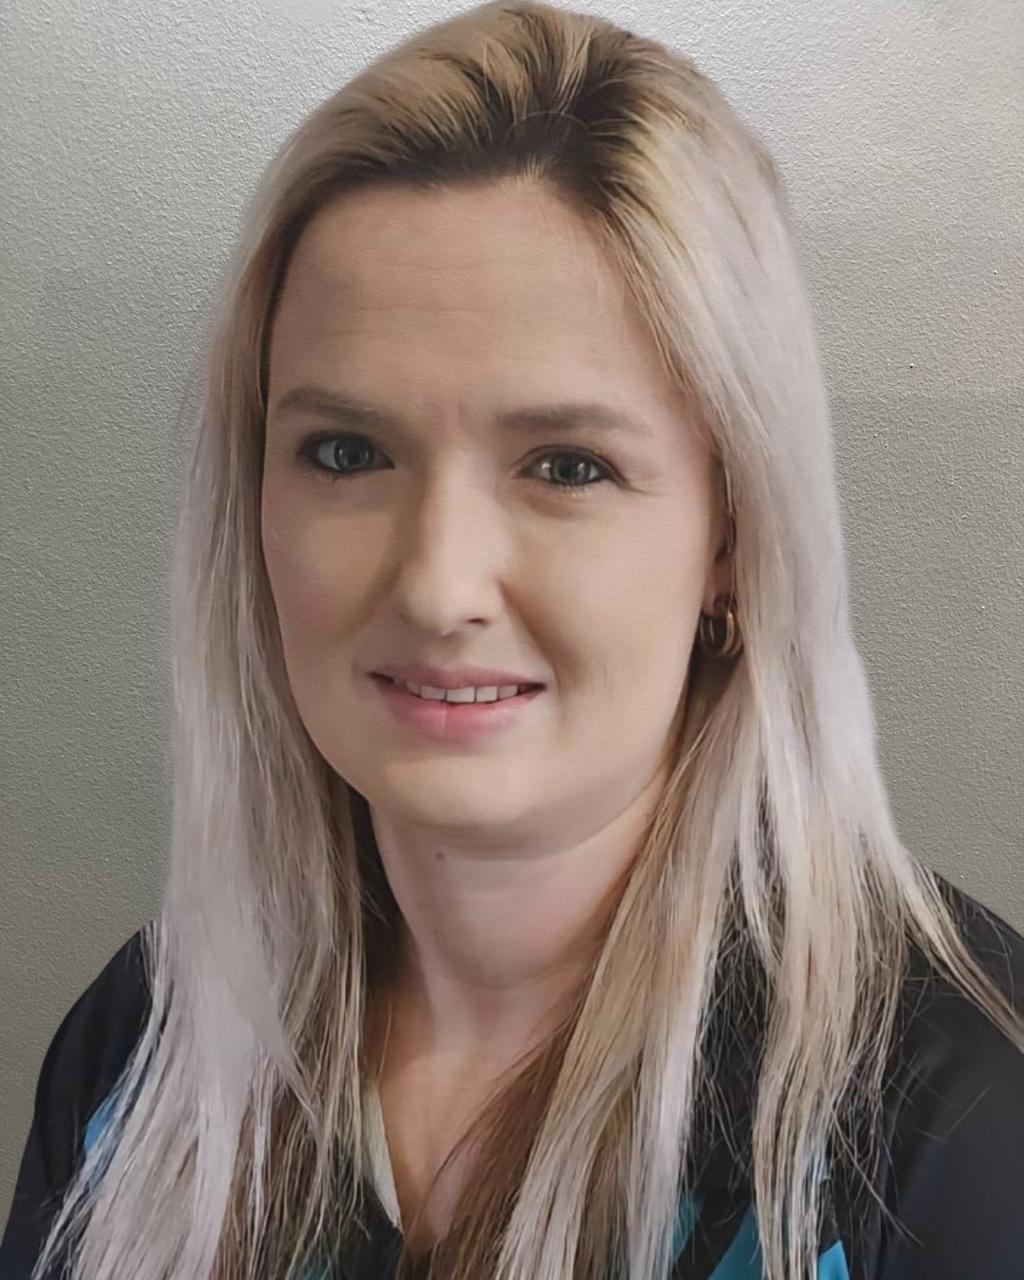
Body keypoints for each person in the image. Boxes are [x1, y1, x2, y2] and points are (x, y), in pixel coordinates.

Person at [3, 2, 1023, 1278]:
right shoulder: (154, 1037)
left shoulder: (948, 1123)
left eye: (566, 464)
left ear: (732, 539)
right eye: (346, 451)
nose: (437, 585)